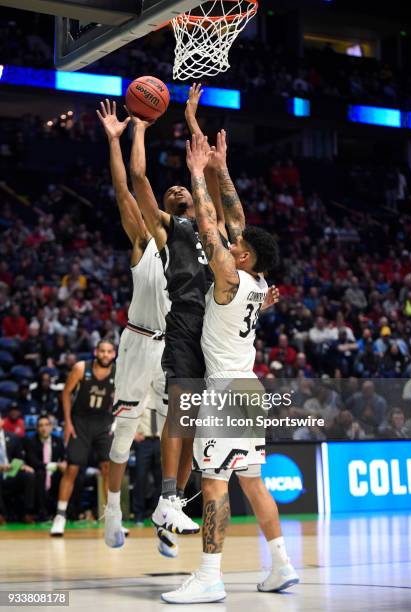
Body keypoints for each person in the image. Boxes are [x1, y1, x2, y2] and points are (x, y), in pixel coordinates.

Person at [162, 133, 298, 603]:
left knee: (214, 482)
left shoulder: (230, 277)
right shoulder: (259, 284)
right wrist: (222, 170)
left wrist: (199, 172)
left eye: (236, 246)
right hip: (251, 391)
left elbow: (207, 223)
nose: (232, 242)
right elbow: (234, 218)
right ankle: (281, 563)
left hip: (222, 393)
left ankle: (209, 576)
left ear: (242, 257)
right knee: (253, 481)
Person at [129, 84, 227, 535]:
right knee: (182, 408)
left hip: (220, 330)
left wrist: (191, 120)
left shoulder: (214, 225)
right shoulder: (169, 230)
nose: (175, 189)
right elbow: (139, 181)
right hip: (186, 321)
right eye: (172, 192)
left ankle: (177, 503)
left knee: (199, 423)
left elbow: (207, 173)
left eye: (181, 188)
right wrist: (139, 130)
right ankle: (167, 496)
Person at [95, 100, 174, 556]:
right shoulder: (144, 244)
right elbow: (125, 187)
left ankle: (167, 514)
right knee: (124, 433)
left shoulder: (192, 251)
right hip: (138, 342)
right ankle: (112, 512)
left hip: (173, 350)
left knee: (173, 434)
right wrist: (118, 138)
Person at [50, 340, 116, 536]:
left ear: (113, 354)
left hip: (103, 422)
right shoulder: (81, 368)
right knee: (71, 469)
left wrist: (117, 422)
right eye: (102, 351)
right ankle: (60, 516)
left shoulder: (118, 372)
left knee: (108, 469)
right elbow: (66, 393)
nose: (105, 355)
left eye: (109, 352)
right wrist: (68, 423)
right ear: (96, 352)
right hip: (80, 422)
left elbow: (123, 398)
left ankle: (112, 519)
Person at [25, 415, 66, 520]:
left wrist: (64, 464)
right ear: (37, 428)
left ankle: (65, 512)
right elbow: (33, 462)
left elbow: (64, 457)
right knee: (40, 474)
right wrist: (54, 465)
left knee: (67, 475)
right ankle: (42, 512)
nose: (44, 428)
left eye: (46, 425)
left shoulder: (58, 440)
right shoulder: (31, 441)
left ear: (51, 427)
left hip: (55, 472)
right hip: (40, 471)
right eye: (40, 425)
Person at [0, 412, 35, 525]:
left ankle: (27, 513)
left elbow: (19, 458)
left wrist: (21, 465)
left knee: (29, 475)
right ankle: (1, 514)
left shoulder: (13, 437)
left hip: (11, 472)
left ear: (2, 421)